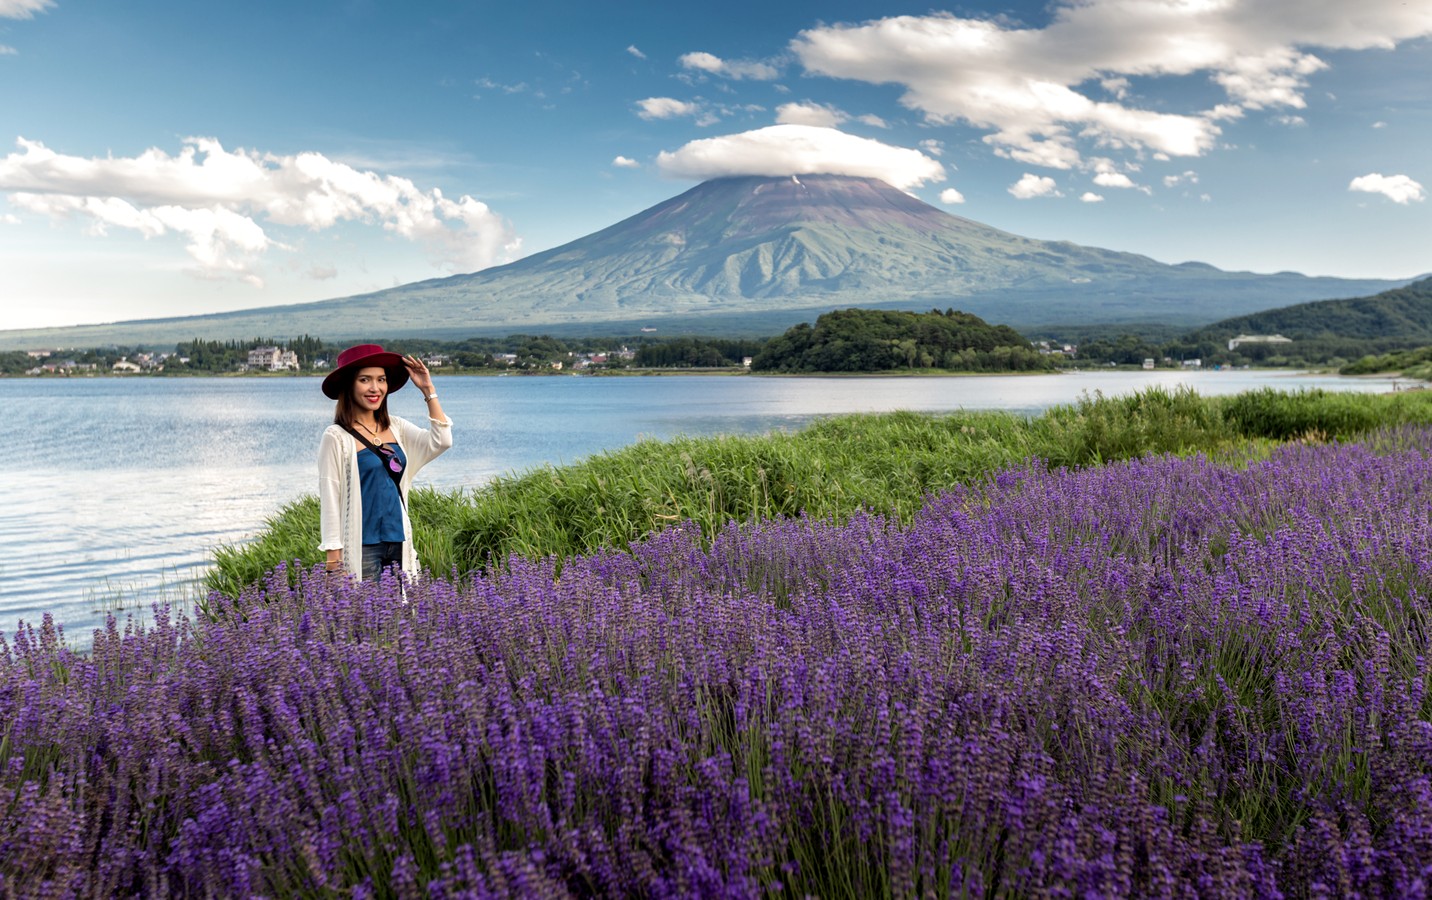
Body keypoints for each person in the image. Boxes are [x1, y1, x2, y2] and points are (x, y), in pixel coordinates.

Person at [317, 343, 453, 581]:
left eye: (381, 380)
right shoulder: (336, 437)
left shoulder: (396, 427)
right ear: (349, 384)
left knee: (399, 615)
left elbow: (442, 441)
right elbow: (330, 498)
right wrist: (333, 562)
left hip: (398, 541)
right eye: (365, 380)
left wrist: (428, 390)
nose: (375, 388)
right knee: (364, 617)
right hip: (362, 548)